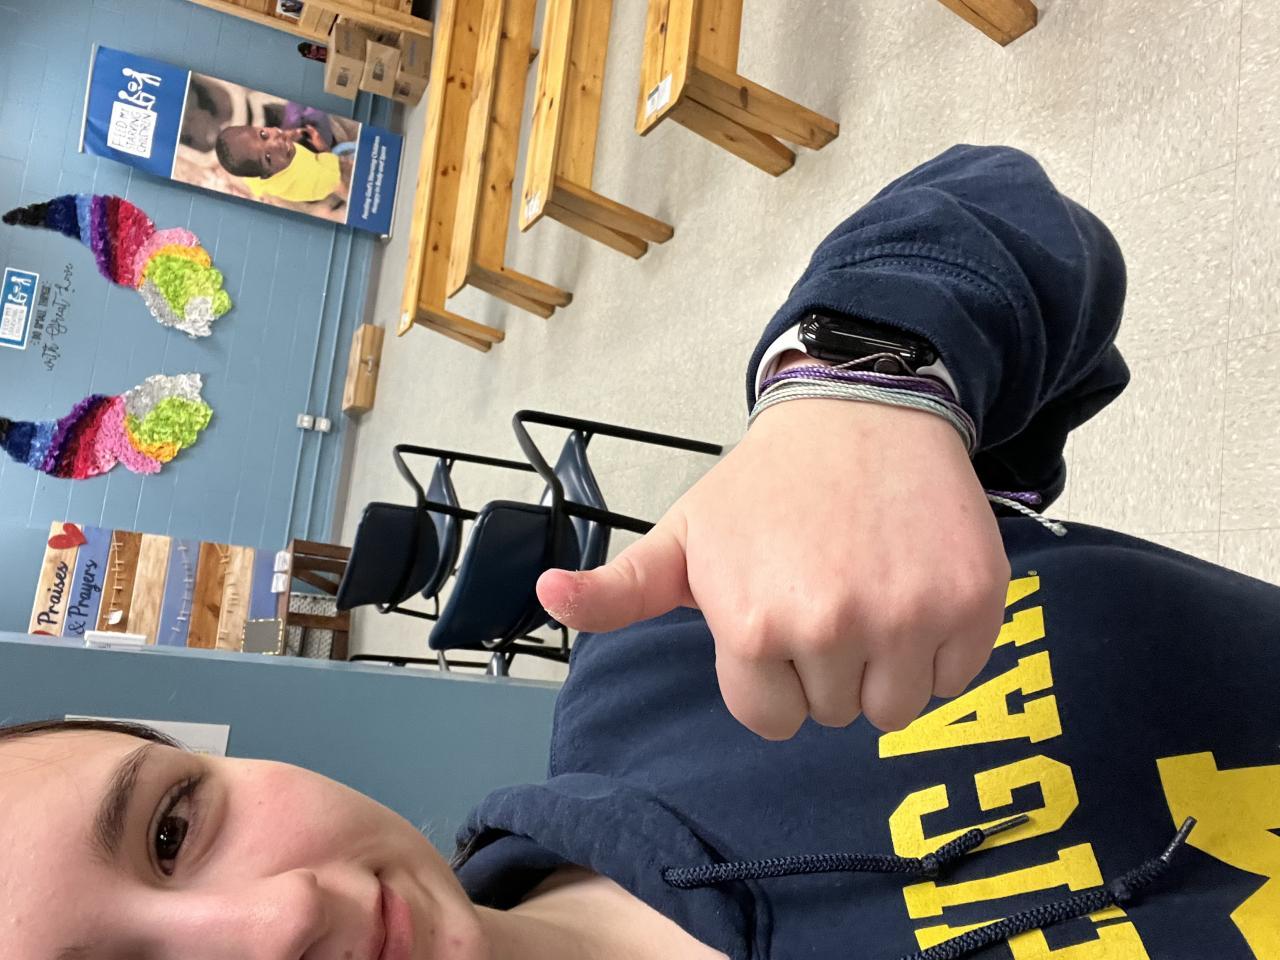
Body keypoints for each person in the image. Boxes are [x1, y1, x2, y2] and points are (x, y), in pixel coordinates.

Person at [3, 146, 1276, 960]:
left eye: (172, 828)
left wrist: (856, 382)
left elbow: (1010, 221)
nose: (280, 918)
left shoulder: (670, 657)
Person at [214, 122, 343, 204]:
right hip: (320, 182)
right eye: (268, 157)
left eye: (263, 134)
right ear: (268, 174)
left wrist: (289, 136)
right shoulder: (312, 180)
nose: (277, 143)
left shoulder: (254, 167)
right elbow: (337, 175)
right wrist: (323, 148)